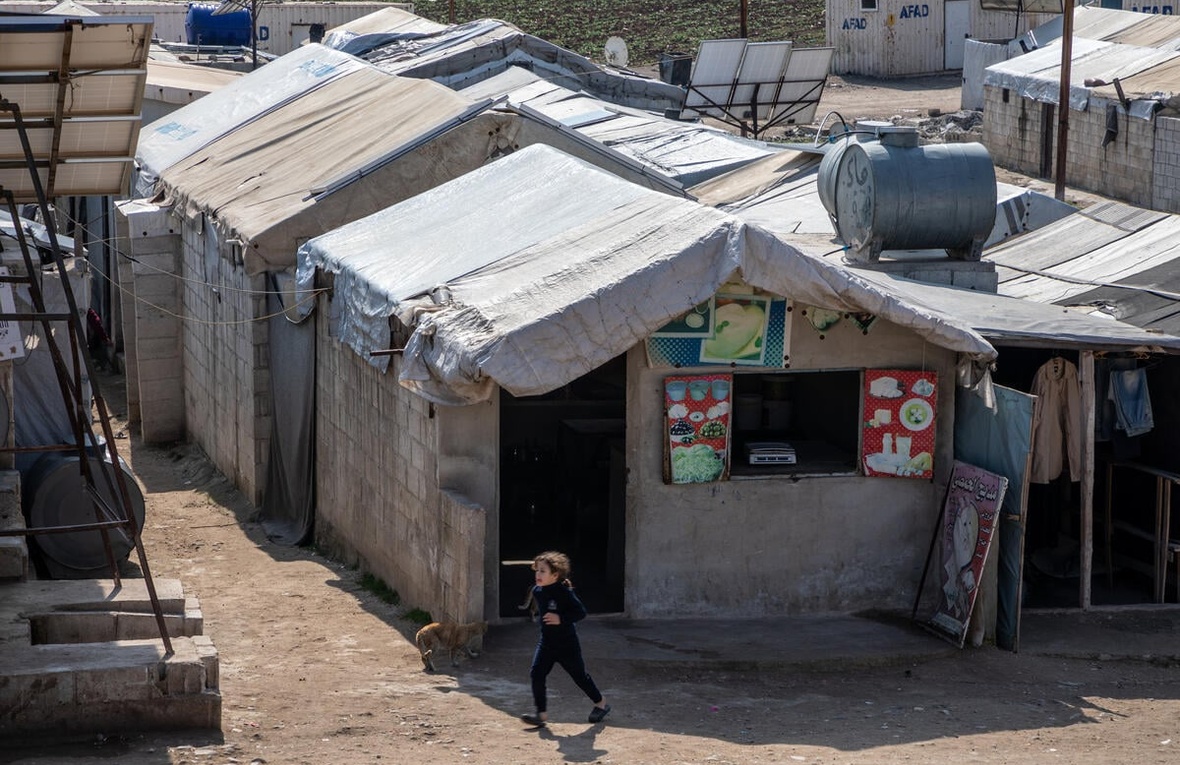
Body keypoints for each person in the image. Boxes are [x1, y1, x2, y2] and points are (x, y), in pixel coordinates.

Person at [520, 551, 610, 727]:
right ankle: (541, 714)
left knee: (580, 677)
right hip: (546, 643)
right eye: (537, 570)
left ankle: (601, 703)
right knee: (536, 673)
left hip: (567, 644)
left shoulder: (564, 592)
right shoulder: (538, 591)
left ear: (555, 575)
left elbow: (580, 612)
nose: (538, 574)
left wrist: (560, 618)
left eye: (542, 571)